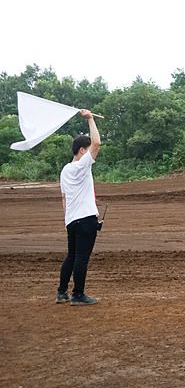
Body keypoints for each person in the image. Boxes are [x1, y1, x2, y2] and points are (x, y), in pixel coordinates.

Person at [56, 109, 101, 306]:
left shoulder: (65, 170)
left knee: (72, 256)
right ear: (82, 151)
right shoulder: (81, 165)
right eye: (88, 149)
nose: (91, 150)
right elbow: (97, 143)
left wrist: (67, 220)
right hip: (85, 218)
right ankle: (78, 295)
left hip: (72, 219)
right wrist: (90, 119)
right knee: (82, 258)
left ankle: (62, 292)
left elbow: (64, 198)